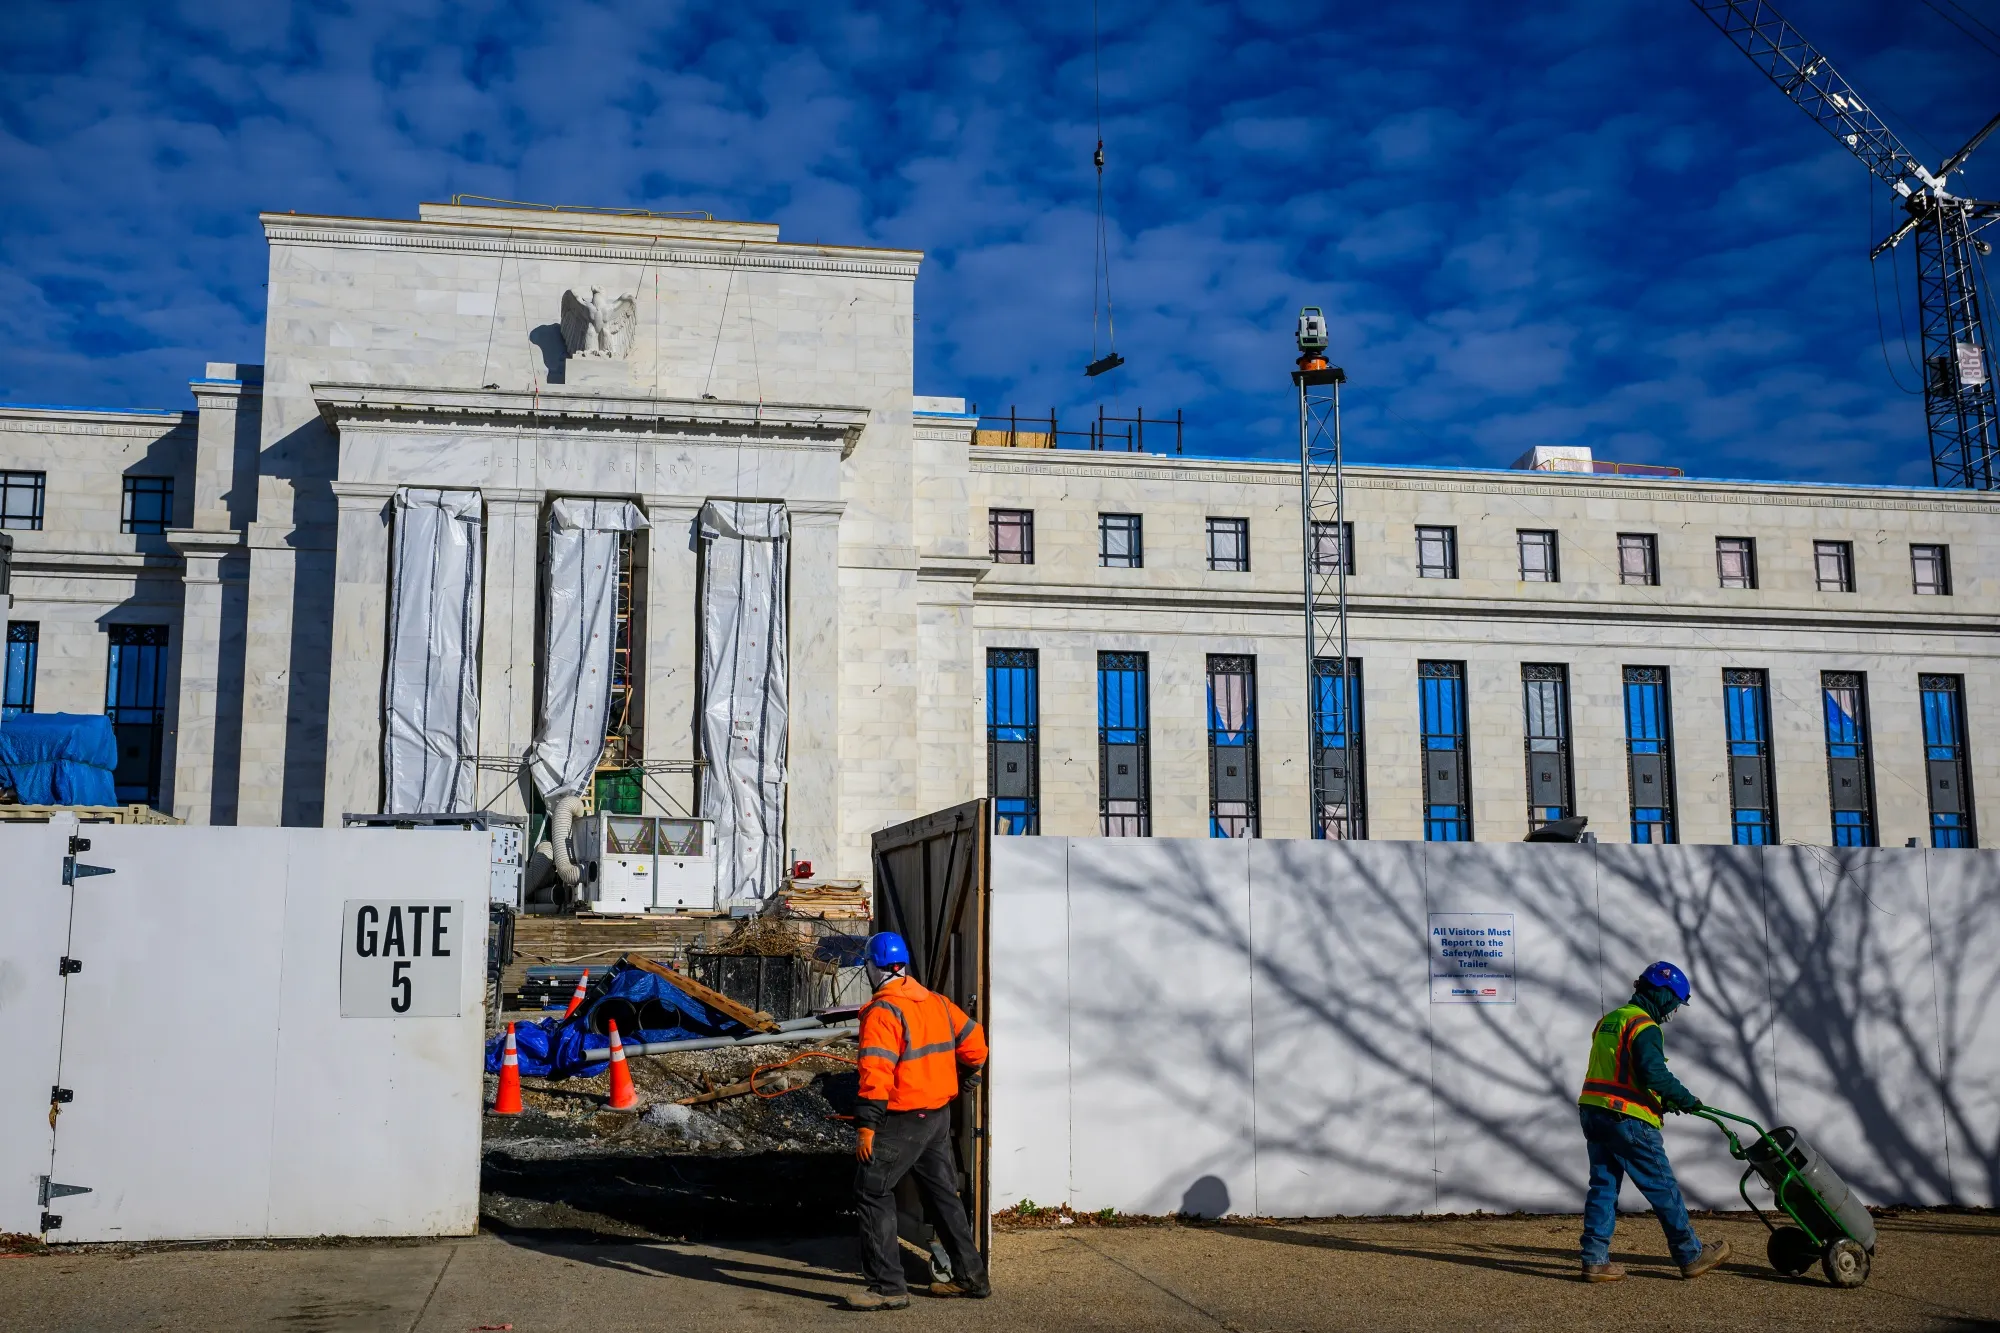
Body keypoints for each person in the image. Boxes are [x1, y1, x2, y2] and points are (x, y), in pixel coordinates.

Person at [843, 931, 991, 1311]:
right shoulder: (938, 1003)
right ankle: (970, 1277)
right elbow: (976, 1046)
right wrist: (968, 1077)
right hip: (936, 1118)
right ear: (904, 965)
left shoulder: (883, 1012)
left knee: (871, 1191)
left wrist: (866, 1126)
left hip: (903, 1120)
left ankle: (887, 1288)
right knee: (943, 1197)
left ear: (873, 968)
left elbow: (875, 1074)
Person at [1576, 960, 1731, 1283]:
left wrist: (1662, 1098)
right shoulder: (1644, 1026)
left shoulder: (1611, 1019)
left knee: (1603, 1187)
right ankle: (1690, 1254)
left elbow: (1623, 1072)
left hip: (1594, 1112)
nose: (1674, 1011)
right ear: (1663, 994)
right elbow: (1652, 1072)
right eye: (1676, 1002)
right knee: (1663, 1188)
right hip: (1626, 1118)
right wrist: (1685, 1098)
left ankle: (1594, 1259)